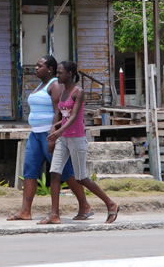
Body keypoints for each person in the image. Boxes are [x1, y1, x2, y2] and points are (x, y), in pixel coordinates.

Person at [7, 55, 93, 222]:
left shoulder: (55, 85)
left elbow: (59, 112)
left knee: (65, 172)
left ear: (50, 69)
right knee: (30, 171)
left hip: (49, 134)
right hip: (35, 134)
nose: (36, 68)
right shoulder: (41, 85)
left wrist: (54, 136)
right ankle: (25, 210)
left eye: (40, 66)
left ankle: (84, 205)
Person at [43, 60, 119, 224]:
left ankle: (111, 203)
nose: (57, 75)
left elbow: (74, 115)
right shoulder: (63, 91)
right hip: (63, 139)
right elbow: (63, 116)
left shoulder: (78, 91)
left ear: (69, 74)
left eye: (60, 73)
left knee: (81, 178)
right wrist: (55, 129)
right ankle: (54, 215)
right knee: (54, 174)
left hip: (76, 138)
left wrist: (59, 130)